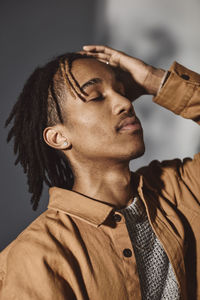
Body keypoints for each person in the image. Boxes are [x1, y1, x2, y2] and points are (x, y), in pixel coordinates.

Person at [0, 45, 199, 300]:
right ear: (59, 137)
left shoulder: (181, 189)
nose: (125, 102)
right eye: (96, 97)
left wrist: (153, 81)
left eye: (123, 91)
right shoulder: (35, 257)